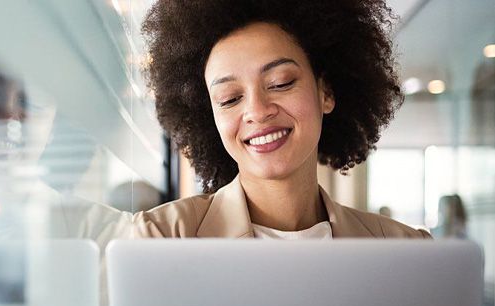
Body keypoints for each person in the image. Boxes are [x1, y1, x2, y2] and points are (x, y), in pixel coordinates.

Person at [131, 0, 431, 239]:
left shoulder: (406, 250)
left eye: (281, 82)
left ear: (325, 92)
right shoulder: (162, 238)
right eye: (230, 99)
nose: (258, 111)